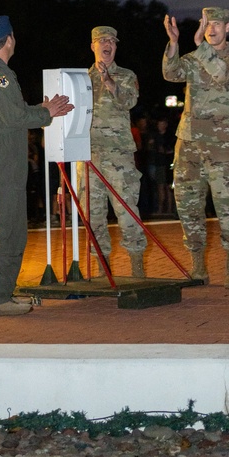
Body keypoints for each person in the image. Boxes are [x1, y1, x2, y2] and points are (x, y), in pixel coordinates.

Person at [0, 14, 72, 317]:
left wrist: (41, 109)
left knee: (8, 230)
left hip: (2, 160)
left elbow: (12, 113)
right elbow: (14, 118)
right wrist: (47, 113)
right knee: (8, 232)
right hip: (3, 161)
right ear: (10, 39)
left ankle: (2, 294)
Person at [163, 7, 229, 286]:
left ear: (227, 27)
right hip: (189, 144)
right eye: (205, 23)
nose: (210, 28)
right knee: (188, 207)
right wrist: (174, 43)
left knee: (226, 207)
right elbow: (170, 73)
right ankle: (198, 264)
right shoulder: (195, 56)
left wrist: (200, 47)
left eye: (215, 24)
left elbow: (222, 75)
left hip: (222, 148)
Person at [86, 26, 147, 276]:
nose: (107, 45)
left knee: (127, 210)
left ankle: (137, 267)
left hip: (118, 155)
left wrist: (110, 82)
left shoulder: (125, 75)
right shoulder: (80, 78)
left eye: (111, 41)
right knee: (93, 214)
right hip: (88, 156)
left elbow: (130, 101)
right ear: (93, 46)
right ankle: (103, 269)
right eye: (102, 41)